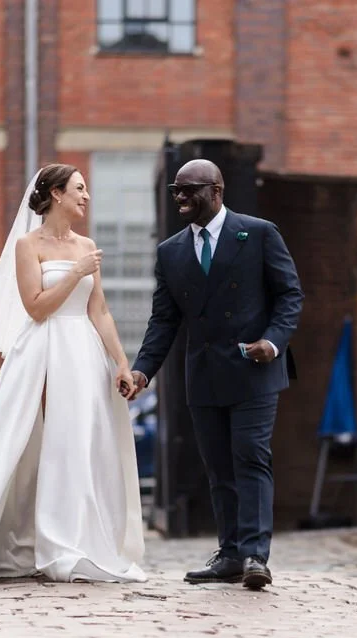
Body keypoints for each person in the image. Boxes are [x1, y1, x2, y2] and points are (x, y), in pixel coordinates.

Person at [0, 164, 146, 586]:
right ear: (56, 194)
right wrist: (75, 273)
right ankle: (20, 541)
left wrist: (122, 362)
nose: (86, 196)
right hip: (42, 346)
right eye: (79, 188)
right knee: (24, 438)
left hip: (83, 353)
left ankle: (78, 543)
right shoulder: (27, 245)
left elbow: (100, 311)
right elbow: (36, 307)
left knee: (81, 442)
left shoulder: (87, 245)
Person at [124, 159, 304, 590]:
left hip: (254, 368)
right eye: (176, 190)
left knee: (250, 457)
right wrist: (143, 370)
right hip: (203, 373)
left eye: (190, 190)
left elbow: (289, 295)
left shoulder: (258, 233)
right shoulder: (171, 251)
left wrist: (272, 342)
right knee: (218, 466)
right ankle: (229, 554)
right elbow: (164, 320)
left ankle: (255, 556)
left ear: (217, 191)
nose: (181, 198)